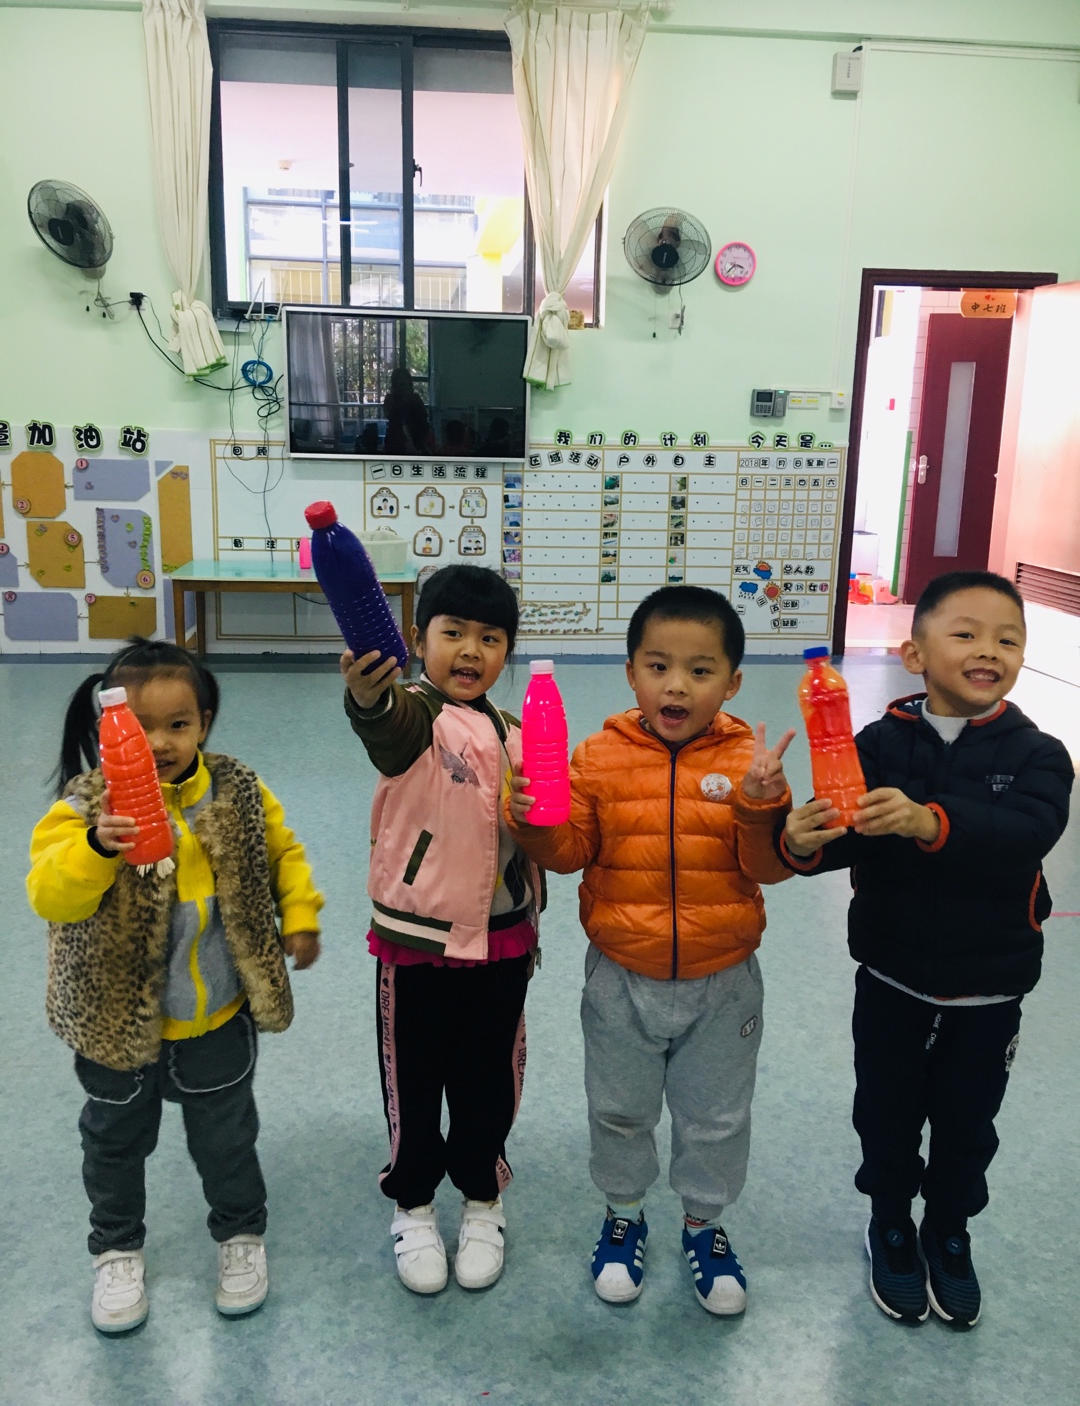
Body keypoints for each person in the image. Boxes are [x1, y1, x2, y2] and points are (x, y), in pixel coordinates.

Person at [778, 571, 1073, 1330]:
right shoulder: (877, 744)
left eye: (1008, 639)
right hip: (892, 974)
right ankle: (889, 1222)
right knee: (886, 1110)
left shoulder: (1040, 755)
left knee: (968, 1122)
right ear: (914, 655)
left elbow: (1027, 832)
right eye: (966, 634)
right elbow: (849, 832)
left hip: (990, 985)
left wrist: (930, 821)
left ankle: (948, 1229)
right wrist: (804, 842)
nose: (989, 650)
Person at [507, 585, 794, 1315]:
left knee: (717, 1116)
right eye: (658, 666)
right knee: (618, 1109)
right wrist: (532, 821)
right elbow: (569, 852)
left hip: (723, 979)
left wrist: (763, 805)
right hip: (620, 977)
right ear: (631, 672)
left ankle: (704, 1226)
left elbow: (767, 869)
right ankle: (624, 1215)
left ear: (732, 683)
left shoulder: (748, 759)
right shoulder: (597, 757)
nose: (677, 686)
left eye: (701, 671)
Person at [27, 638, 323, 1334]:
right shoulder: (84, 809)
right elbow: (49, 894)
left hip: (214, 1017)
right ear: (109, 729)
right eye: (139, 727)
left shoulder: (236, 790)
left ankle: (240, 1233)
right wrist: (98, 848)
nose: (159, 742)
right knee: (113, 1141)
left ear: (204, 724)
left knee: (227, 1138)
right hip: (115, 1026)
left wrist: (300, 914)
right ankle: (116, 1248)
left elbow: (282, 851)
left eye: (178, 724)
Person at [341, 565, 540, 1296]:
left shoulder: (515, 730)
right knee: (415, 1079)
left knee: (490, 1079)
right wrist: (368, 696)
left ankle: (482, 1197)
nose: (470, 650)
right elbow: (385, 726)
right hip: (418, 939)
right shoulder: (415, 713)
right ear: (419, 638)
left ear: (506, 651)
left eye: (490, 638)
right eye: (452, 632)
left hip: (503, 938)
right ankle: (414, 1203)